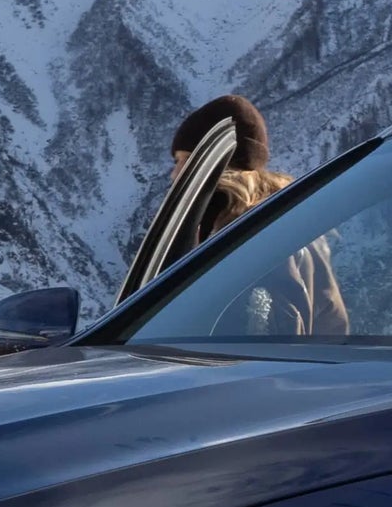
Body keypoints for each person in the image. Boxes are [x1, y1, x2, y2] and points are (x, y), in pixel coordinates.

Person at [138, 95, 348, 338]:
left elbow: (264, 330)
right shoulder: (288, 223)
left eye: (186, 160)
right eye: (177, 161)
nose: (174, 174)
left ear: (218, 164)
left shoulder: (249, 238)